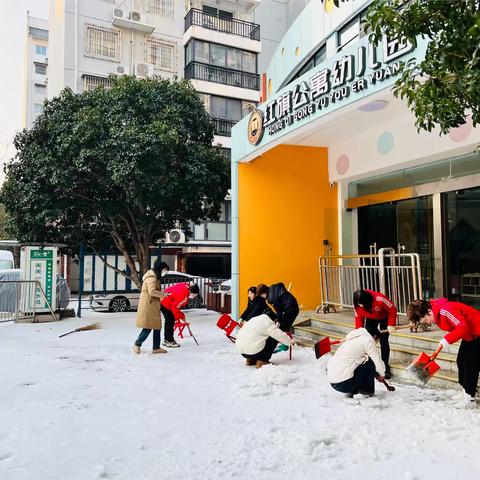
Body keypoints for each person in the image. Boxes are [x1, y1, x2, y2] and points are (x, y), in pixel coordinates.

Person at [407, 298, 480, 408]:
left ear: (429, 311)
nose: (427, 323)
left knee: (470, 365)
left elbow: (462, 326)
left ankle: (470, 398)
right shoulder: (438, 314)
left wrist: (447, 339)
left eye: (425, 320)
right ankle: (466, 391)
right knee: (461, 361)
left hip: (477, 333)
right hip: (470, 335)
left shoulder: (446, 310)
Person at [327, 328, 386, 398]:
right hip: (345, 384)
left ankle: (354, 390)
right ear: (375, 336)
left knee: (364, 361)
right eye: (377, 341)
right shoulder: (368, 340)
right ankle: (367, 391)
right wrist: (382, 374)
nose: (375, 343)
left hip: (334, 383)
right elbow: (377, 360)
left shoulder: (351, 340)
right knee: (370, 363)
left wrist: (376, 374)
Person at [353, 289, 397, 379]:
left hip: (385, 316)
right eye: (359, 304)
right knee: (368, 340)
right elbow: (359, 319)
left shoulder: (379, 299)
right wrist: (359, 332)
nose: (360, 306)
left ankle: (385, 367)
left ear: (366, 301)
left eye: (361, 304)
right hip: (371, 318)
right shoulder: (357, 305)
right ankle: (370, 365)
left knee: (384, 341)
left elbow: (392, 309)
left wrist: (391, 325)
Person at [133, 261, 170, 354]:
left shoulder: (154, 277)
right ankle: (137, 344)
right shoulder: (151, 278)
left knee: (157, 327)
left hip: (152, 305)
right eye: (164, 270)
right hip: (149, 306)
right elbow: (152, 291)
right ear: (159, 269)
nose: (165, 272)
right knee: (148, 327)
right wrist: (164, 295)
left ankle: (156, 347)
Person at [161, 282, 200, 348]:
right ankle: (170, 341)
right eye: (194, 295)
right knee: (170, 321)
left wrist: (181, 315)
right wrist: (180, 316)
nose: (193, 296)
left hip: (165, 298)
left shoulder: (186, 286)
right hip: (166, 302)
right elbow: (174, 307)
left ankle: (166, 339)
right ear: (191, 291)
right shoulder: (183, 294)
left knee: (168, 321)